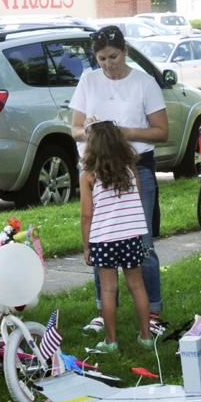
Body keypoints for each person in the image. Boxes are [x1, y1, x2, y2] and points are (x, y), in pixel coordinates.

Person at [70, 25, 167, 337]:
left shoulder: (144, 82)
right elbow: (74, 129)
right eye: (101, 59)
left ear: (125, 51)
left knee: (142, 240)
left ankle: (152, 311)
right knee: (101, 238)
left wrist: (124, 132)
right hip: (97, 168)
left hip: (134, 167)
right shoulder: (88, 80)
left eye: (113, 57)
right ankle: (104, 308)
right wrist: (91, 131)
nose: (108, 64)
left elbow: (161, 131)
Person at [79, 120, 153, 352]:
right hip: (131, 236)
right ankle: (146, 337)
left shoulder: (88, 176)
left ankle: (111, 341)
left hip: (104, 239)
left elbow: (86, 215)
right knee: (137, 286)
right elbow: (136, 198)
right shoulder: (130, 170)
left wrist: (86, 246)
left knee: (108, 289)